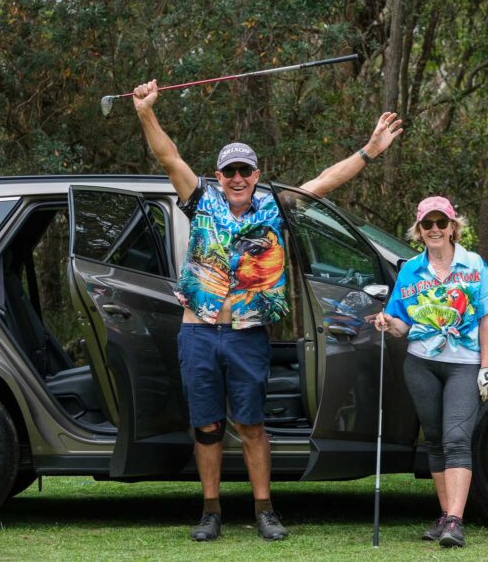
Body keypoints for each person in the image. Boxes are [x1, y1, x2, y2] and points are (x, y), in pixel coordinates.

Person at [130, 79, 402, 542]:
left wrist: (369, 151)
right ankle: (211, 511)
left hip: (247, 333)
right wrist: (145, 113)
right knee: (207, 426)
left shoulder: (273, 207)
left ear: (256, 174)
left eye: (246, 171)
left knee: (252, 424)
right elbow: (168, 157)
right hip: (199, 331)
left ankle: (264, 509)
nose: (238, 178)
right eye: (230, 171)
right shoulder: (200, 202)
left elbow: (323, 183)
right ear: (218, 175)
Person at [372, 196, 488, 548]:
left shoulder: (474, 264)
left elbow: (487, 320)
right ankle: (446, 517)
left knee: (457, 438)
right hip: (420, 363)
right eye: (427, 224)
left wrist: (486, 368)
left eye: (440, 223)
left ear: (452, 227)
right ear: (419, 230)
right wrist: (388, 322)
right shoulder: (411, 269)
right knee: (434, 440)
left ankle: (456, 521)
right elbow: (402, 324)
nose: (434, 230)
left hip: (464, 364)